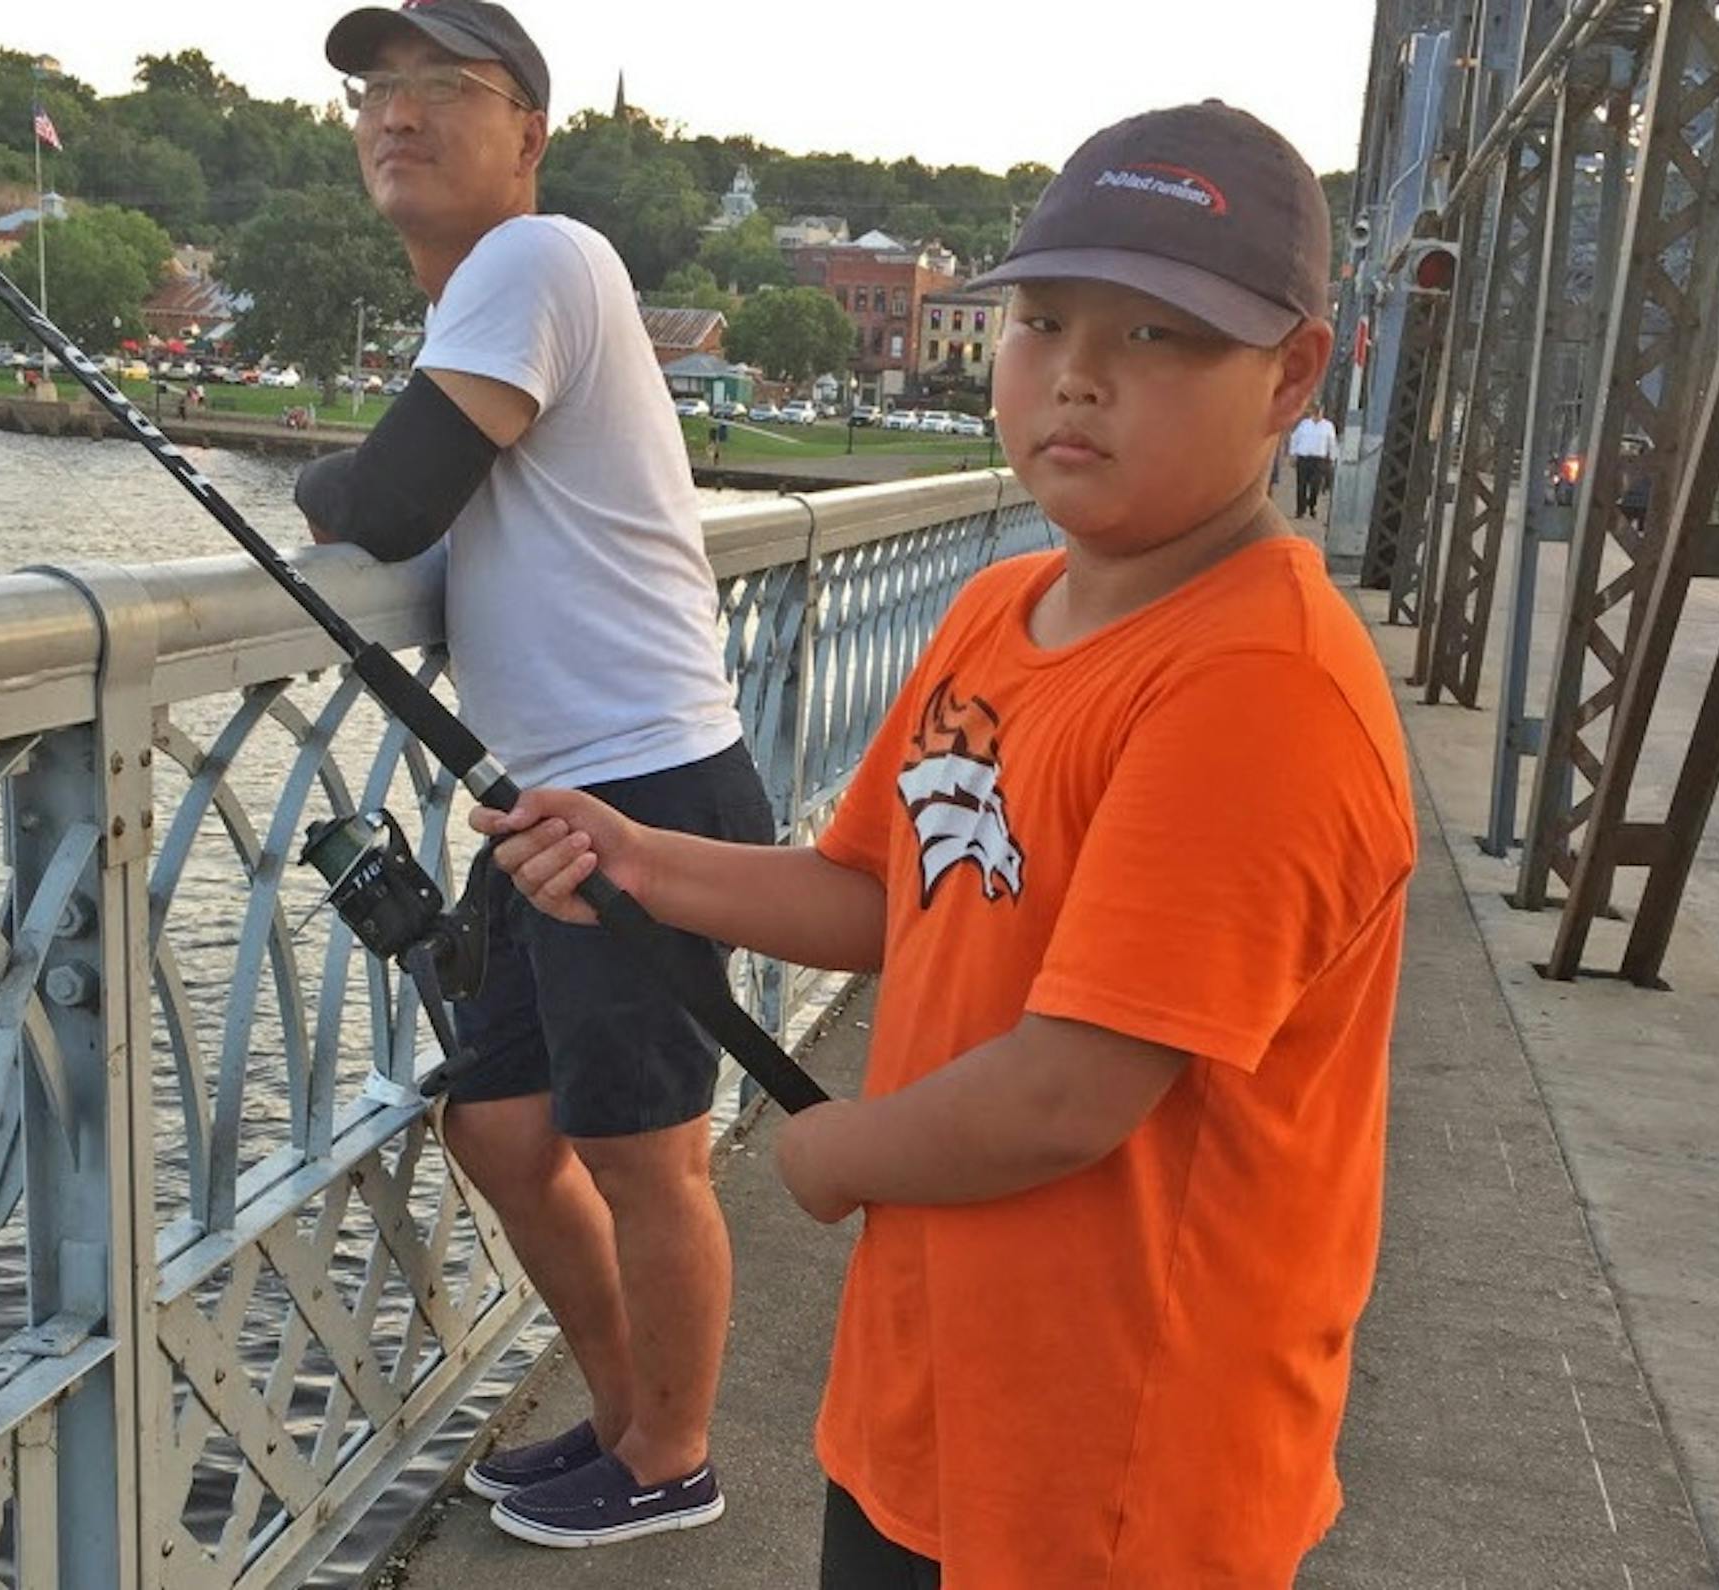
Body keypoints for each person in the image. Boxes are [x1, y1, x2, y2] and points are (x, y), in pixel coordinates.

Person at [475, 101, 1416, 1587]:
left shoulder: (1260, 682)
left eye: (1162, 336)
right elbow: (877, 887)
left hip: (1124, 1466)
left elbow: (1068, 1092)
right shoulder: (1001, 611)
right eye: (1043, 321)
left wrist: (839, 1151)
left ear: (1292, 373)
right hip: (927, 1399)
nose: (1080, 377)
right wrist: (644, 861)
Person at [295, 0, 772, 1550]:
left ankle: (674, 1453)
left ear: (530, 136)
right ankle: (630, 1411)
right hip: (558, 801)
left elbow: (389, 498)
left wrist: (322, 481)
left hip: (642, 793)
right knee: (501, 1128)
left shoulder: (535, 260)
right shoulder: (494, 298)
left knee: (644, 1149)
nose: (400, 111)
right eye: (378, 87)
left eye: (450, 85)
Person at [1288, 400, 1339, 519]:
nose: (1317, 413)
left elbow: (1332, 443)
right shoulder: (1304, 424)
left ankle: (1312, 505)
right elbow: (1294, 438)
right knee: (1301, 485)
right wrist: (1292, 454)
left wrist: (1332, 458)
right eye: (1315, 411)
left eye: (1319, 411)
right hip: (1304, 458)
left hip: (1319, 459)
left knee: (1315, 485)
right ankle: (1300, 510)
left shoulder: (1328, 426)